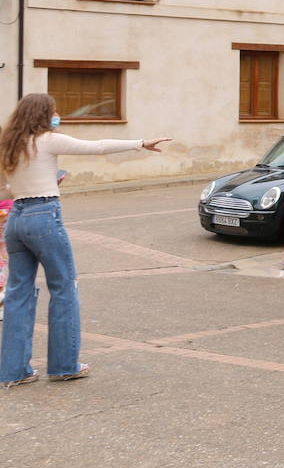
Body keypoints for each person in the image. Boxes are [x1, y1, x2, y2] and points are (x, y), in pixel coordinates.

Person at [0, 93, 169, 387]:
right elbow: (98, 147)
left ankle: (14, 372)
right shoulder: (47, 140)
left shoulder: (10, 145)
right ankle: (64, 365)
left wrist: (46, 183)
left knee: (18, 294)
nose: (56, 116)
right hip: (43, 217)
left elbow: (10, 189)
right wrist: (141, 143)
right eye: (53, 112)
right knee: (64, 287)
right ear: (43, 114)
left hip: (16, 219)